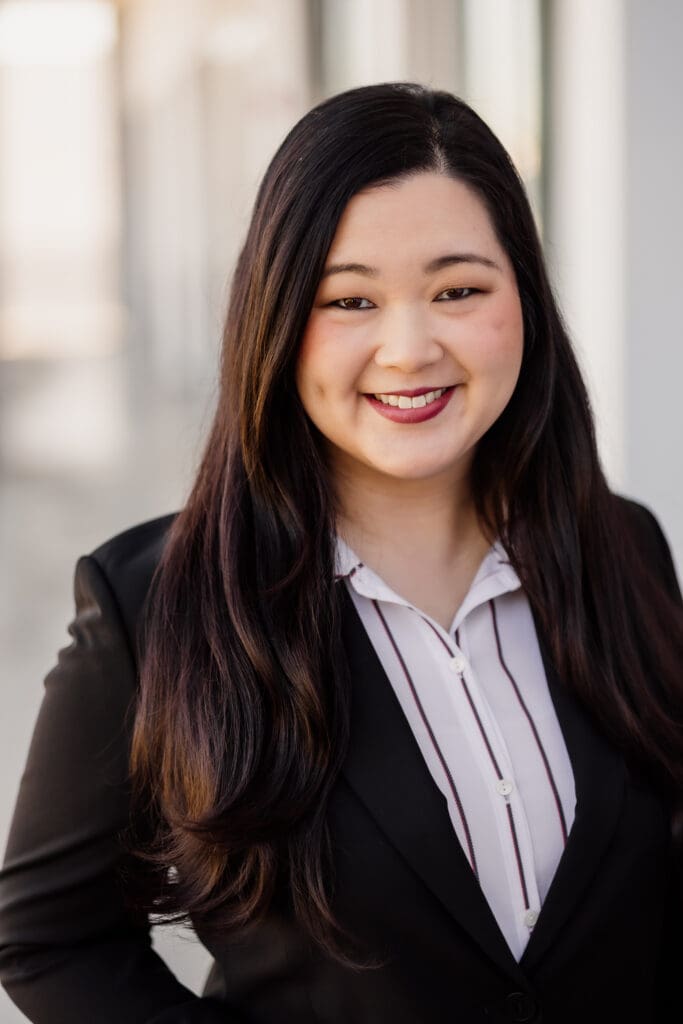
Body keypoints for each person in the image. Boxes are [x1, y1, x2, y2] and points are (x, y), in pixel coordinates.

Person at [0, 82, 681, 1024]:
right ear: (275, 321)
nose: (408, 349)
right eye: (349, 299)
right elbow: (47, 937)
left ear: (523, 297)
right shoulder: (154, 606)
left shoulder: (627, 549)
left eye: (457, 289)